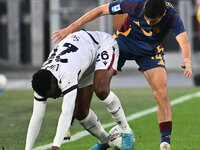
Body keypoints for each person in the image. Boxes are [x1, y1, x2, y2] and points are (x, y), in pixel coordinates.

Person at [51, 0, 193, 149]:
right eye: (146, 18)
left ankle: (165, 143)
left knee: (161, 91)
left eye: (153, 21)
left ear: (163, 14)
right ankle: (70, 122)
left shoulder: (172, 16)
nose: (148, 22)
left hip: (149, 52)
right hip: (121, 44)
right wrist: (72, 27)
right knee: (90, 81)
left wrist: (187, 59)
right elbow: (101, 10)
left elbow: (183, 39)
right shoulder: (134, 4)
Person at [25, 30, 134, 150]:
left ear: (55, 82)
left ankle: (126, 131)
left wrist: (55, 146)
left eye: (54, 94)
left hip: (101, 44)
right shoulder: (41, 81)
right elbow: (36, 117)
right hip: (83, 59)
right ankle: (104, 140)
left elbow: (66, 112)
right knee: (80, 112)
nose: (55, 97)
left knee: (101, 89)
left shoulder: (66, 73)